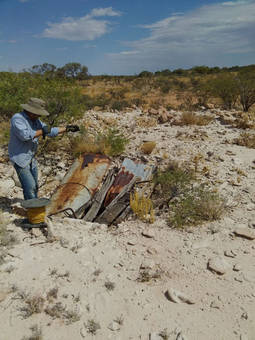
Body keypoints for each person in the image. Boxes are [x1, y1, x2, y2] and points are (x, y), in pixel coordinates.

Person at [8, 97, 79, 200]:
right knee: (30, 186)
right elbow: (25, 136)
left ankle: (33, 207)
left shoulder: (36, 120)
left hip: (31, 158)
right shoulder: (18, 119)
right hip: (20, 158)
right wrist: (42, 131)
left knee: (35, 186)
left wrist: (66, 129)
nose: (39, 115)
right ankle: (32, 211)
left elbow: (49, 131)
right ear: (30, 111)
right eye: (38, 113)